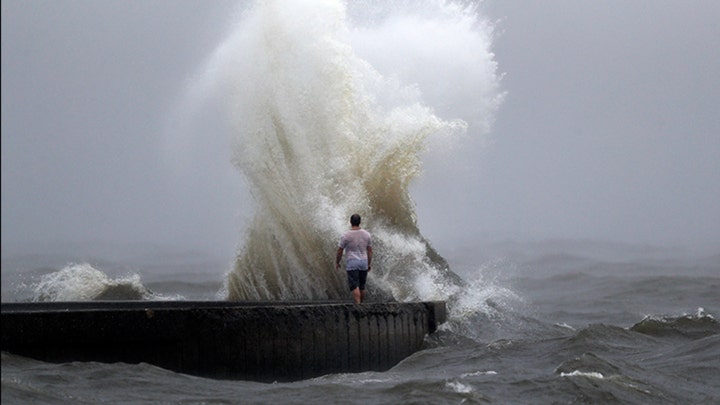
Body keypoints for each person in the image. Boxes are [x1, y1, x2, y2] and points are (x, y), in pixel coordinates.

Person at [336, 214, 372, 304]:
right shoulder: (367, 235)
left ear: (350, 222)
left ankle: (358, 304)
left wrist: (337, 262)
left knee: (354, 286)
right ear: (360, 222)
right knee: (362, 286)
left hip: (352, 262)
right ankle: (361, 304)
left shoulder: (346, 235)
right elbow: (370, 251)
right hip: (364, 262)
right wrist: (368, 264)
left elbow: (340, 251)